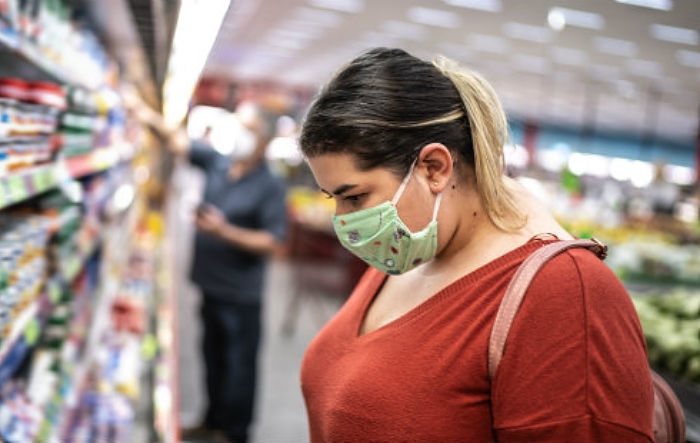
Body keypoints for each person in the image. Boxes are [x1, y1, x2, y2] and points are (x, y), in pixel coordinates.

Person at [297, 47, 655, 442]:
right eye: (333, 199)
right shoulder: (406, 253)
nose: (343, 222)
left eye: (355, 197)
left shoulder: (565, 293)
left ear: (434, 168)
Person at [167, 101, 289, 443]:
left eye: (247, 129)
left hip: (241, 294)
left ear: (264, 140)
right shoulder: (219, 163)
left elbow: (273, 241)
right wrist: (141, 109)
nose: (237, 134)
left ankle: (235, 433)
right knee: (212, 357)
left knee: (239, 367)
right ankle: (212, 419)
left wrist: (224, 231)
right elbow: (176, 143)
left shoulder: (270, 185)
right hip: (209, 284)